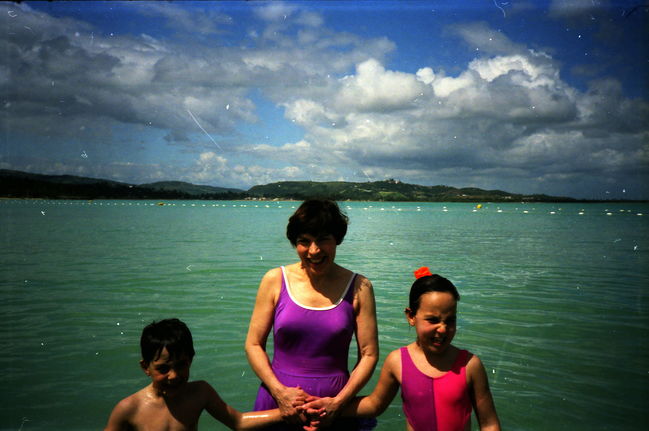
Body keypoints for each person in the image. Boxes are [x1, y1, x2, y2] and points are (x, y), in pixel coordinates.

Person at [302, 267, 501, 431]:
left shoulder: (469, 365)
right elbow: (375, 404)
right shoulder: (398, 361)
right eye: (432, 320)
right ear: (411, 316)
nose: (443, 329)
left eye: (450, 321)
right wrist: (332, 406)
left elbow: (490, 424)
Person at [245, 199, 379, 430]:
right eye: (304, 242)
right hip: (278, 403)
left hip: (335, 408)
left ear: (337, 239)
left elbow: (368, 354)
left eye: (323, 240)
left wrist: (338, 403)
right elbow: (254, 344)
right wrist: (280, 393)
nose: (314, 251)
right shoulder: (274, 280)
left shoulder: (359, 286)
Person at [104, 318, 289, 431]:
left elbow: (238, 421)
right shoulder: (129, 409)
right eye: (163, 369)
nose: (174, 375)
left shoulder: (200, 393)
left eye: (181, 365)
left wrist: (288, 412)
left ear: (191, 359)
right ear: (146, 367)